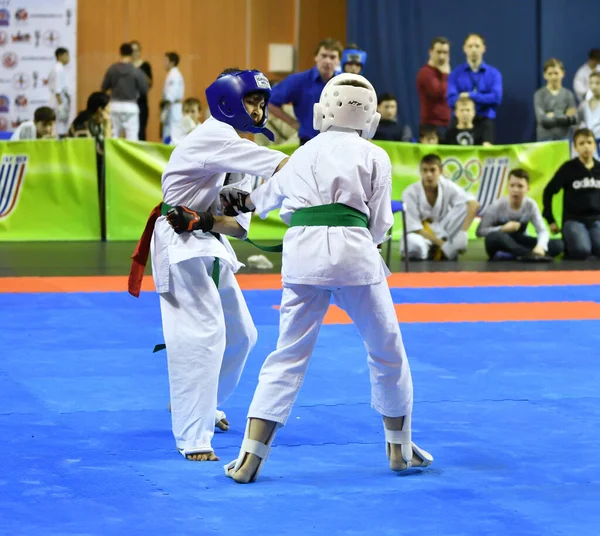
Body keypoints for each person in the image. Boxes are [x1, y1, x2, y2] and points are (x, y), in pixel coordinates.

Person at [214, 73, 432, 484]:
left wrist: (233, 200)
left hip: (302, 257)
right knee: (387, 350)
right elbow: (382, 223)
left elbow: (260, 201)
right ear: (370, 116)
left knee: (287, 354)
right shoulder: (374, 155)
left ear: (322, 112)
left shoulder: (302, 153)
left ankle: (249, 458)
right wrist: (358, 240)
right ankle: (399, 449)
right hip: (355, 254)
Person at [127, 68, 288, 462]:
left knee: (242, 335)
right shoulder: (215, 135)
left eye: (262, 103)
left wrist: (205, 220)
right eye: (251, 101)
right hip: (178, 242)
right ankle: (193, 437)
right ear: (229, 102)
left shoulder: (238, 151)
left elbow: (236, 226)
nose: (258, 110)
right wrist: (322, 168)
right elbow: (282, 165)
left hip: (206, 241)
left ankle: (203, 403)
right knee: (203, 335)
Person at [401, 154, 480, 260]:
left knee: (466, 205)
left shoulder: (447, 186)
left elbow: (473, 204)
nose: (428, 174)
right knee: (414, 246)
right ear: (420, 171)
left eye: (432, 170)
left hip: (443, 231)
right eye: (425, 170)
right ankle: (435, 250)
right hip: (422, 235)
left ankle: (443, 248)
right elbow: (414, 227)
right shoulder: (410, 192)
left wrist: (463, 232)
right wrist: (442, 244)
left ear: (440, 171)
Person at [476, 168, 563, 261]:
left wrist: (540, 247)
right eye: (512, 185)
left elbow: (542, 231)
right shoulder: (497, 206)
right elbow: (480, 231)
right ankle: (528, 254)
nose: (515, 190)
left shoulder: (530, 205)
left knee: (558, 244)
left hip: (519, 240)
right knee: (494, 237)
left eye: (520, 186)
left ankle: (522, 255)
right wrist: (502, 228)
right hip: (501, 243)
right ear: (507, 187)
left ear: (527, 188)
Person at [269, 37, 343, 145]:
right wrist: (294, 124)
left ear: (338, 61)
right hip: (309, 141)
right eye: (324, 56)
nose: (327, 61)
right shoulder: (298, 80)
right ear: (316, 57)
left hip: (337, 142)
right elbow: (270, 102)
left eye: (332, 57)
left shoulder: (344, 82)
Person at [543, 128, 600, 259]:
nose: (586, 146)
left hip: (596, 220)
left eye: (589, 142)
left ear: (595, 145)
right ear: (575, 147)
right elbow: (548, 191)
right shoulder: (568, 168)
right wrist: (550, 219)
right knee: (581, 250)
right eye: (581, 143)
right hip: (573, 220)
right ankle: (570, 244)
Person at [447, 34, 502, 142]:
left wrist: (470, 95)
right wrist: (482, 99)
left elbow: (496, 98)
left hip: (484, 120)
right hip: (459, 122)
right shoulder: (455, 74)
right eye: (470, 46)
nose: (473, 50)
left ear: (483, 49)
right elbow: (451, 100)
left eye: (477, 46)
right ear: (464, 49)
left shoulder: (494, 74)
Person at [101, 43, 149, 141]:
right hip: (131, 107)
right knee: (132, 139)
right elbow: (144, 89)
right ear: (131, 54)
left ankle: (111, 156)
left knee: (113, 137)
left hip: (114, 106)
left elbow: (103, 87)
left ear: (120, 53)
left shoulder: (112, 69)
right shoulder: (136, 71)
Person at [534, 58, 577, 141]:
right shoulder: (539, 95)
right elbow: (542, 120)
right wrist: (564, 115)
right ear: (544, 75)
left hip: (563, 140)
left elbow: (573, 119)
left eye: (556, 73)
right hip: (544, 140)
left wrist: (553, 115)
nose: (553, 77)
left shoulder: (568, 94)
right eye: (550, 74)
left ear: (563, 73)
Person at [416, 36, 451, 136]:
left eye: (445, 53)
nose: (442, 57)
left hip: (446, 124)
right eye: (439, 52)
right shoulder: (425, 73)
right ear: (430, 52)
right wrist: (445, 74)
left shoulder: (447, 73)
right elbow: (439, 93)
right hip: (430, 126)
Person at [131, 40, 153, 141]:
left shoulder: (145, 65)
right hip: (130, 101)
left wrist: (139, 72)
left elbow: (150, 83)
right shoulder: (128, 66)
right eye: (132, 51)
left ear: (140, 51)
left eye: (137, 50)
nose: (135, 53)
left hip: (141, 102)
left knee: (141, 130)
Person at [161, 51, 184, 142]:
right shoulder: (172, 74)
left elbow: (171, 96)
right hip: (171, 107)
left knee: (173, 133)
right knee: (168, 133)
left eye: (166, 60)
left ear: (172, 62)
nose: (164, 63)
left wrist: (165, 109)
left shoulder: (174, 75)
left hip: (173, 107)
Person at [47, 47, 70, 137]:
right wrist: (60, 106)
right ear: (59, 56)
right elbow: (57, 90)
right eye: (66, 55)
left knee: (61, 126)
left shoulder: (60, 68)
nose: (68, 58)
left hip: (60, 101)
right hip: (58, 102)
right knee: (58, 126)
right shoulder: (58, 69)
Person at [577, 72, 600, 138]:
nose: (594, 86)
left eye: (598, 83)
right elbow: (577, 124)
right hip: (590, 143)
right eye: (591, 83)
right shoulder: (583, 105)